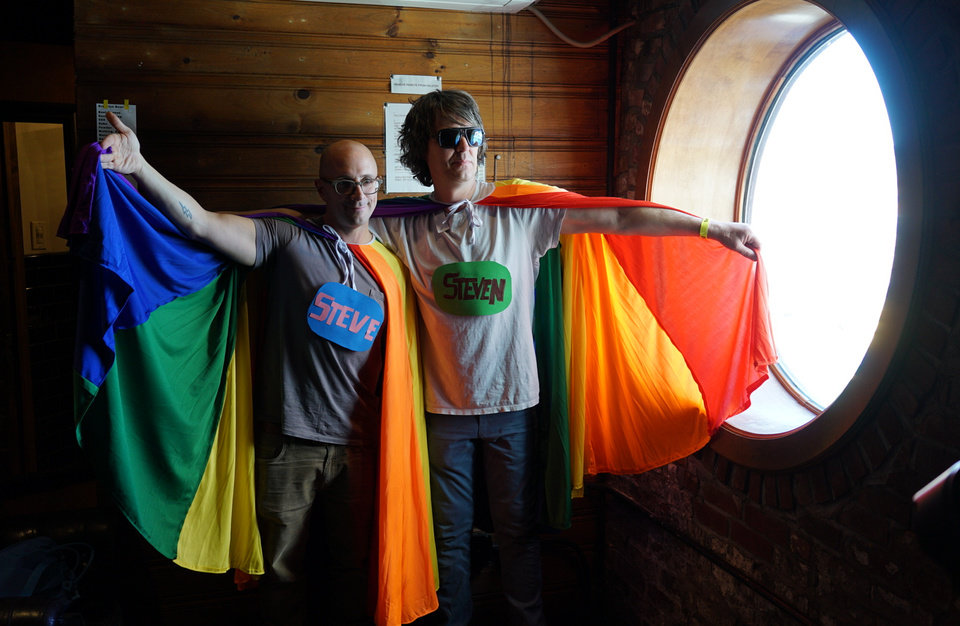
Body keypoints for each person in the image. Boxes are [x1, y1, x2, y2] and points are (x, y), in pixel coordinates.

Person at [369, 89, 761, 625]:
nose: (461, 148)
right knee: (448, 541)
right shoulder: (401, 225)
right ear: (424, 149)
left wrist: (709, 229)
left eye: (471, 136)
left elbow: (618, 221)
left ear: (482, 146)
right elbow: (332, 229)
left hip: (514, 409)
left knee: (518, 536)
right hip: (444, 413)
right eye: (447, 137)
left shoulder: (522, 216)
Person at [97, 112, 407, 625]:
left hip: (365, 445)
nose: (359, 194)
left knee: (356, 572)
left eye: (368, 181)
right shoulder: (287, 239)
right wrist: (138, 167)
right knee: (281, 577)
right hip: (287, 444)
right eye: (344, 183)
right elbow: (198, 221)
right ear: (322, 188)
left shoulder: (392, 263)